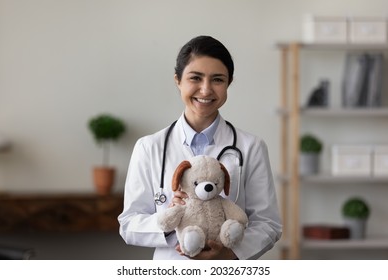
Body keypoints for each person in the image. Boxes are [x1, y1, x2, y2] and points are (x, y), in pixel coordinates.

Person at [118, 35, 282, 260]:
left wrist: (229, 254)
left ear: (229, 83)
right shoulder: (149, 147)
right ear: (178, 80)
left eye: (217, 80)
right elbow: (129, 224)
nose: (206, 90)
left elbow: (268, 223)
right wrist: (169, 221)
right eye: (195, 78)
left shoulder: (251, 147)